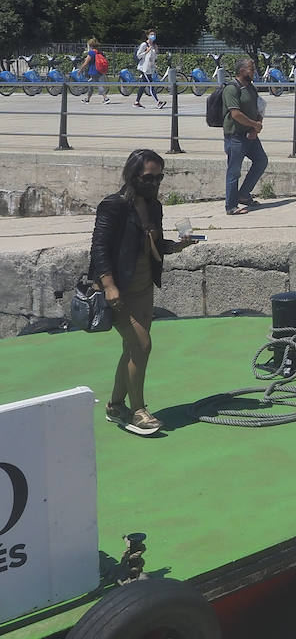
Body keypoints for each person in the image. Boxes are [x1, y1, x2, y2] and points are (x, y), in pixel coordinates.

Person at [90, 149, 195, 435]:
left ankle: (114, 405)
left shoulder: (154, 206)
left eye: (159, 177)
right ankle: (137, 410)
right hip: (119, 291)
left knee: (132, 348)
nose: (155, 183)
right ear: (133, 175)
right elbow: (99, 248)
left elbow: (154, 245)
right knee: (142, 345)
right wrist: (109, 286)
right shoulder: (113, 206)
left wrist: (177, 246)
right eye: (149, 177)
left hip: (144, 287)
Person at [223, 58, 268, 216]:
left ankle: (244, 194)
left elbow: (259, 107)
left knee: (261, 161)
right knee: (234, 170)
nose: (254, 71)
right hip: (235, 136)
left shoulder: (250, 87)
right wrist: (254, 124)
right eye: (251, 69)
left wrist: (256, 127)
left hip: (251, 135)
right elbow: (235, 114)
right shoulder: (231, 89)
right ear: (242, 71)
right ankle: (231, 206)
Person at [134, 29, 166, 109]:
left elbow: (153, 57)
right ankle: (158, 102)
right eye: (151, 34)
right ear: (147, 36)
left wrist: (155, 61)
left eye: (154, 35)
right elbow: (138, 55)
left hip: (150, 69)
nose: (153, 36)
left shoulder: (154, 45)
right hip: (144, 68)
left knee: (143, 85)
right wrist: (146, 51)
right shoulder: (144, 45)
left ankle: (136, 102)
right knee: (151, 85)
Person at [79, 37, 109, 104]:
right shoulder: (99, 52)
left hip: (93, 71)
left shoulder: (91, 52)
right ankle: (87, 99)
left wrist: (80, 69)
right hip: (99, 70)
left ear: (90, 45)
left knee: (98, 84)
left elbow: (86, 62)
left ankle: (106, 98)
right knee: (91, 85)